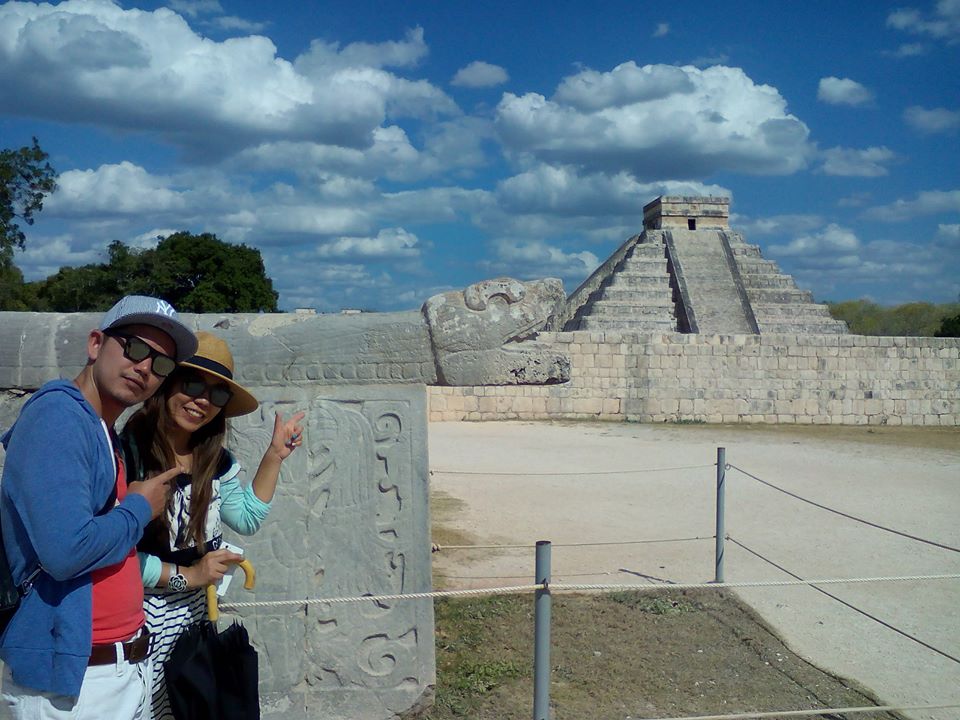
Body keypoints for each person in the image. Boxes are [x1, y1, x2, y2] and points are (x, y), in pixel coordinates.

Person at [0, 296, 198, 720]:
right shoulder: (58, 417)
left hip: (113, 669)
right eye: (135, 348)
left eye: (162, 365)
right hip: (74, 684)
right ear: (95, 344)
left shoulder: (100, 427)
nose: (145, 367)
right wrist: (139, 508)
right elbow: (65, 551)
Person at [120, 331, 304, 720]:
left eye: (218, 395)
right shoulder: (128, 453)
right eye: (192, 384)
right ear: (167, 382)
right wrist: (187, 575)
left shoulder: (216, 460)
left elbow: (246, 518)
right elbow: (117, 556)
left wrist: (274, 456)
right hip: (140, 615)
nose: (202, 400)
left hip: (195, 614)